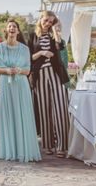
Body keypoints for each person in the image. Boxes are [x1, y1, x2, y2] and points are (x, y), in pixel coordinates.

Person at [0, 19, 41, 163]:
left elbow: (28, 70)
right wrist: (8, 70)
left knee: (23, 115)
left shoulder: (25, 49)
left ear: (18, 31)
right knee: (8, 116)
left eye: (15, 26)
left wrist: (19, 70)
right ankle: (10, 150)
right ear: (6, 30)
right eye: (10, 26)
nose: (12, 28)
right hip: (5, 85)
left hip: (21, 85)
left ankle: (24, 149)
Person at [28, 11, 70, 158]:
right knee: (44, 109)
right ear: (40, 19)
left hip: (56, 73)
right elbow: (29, 57)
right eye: (46, 21)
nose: (48, 24)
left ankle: (62, 146)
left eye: (51, 22)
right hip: (40, 74)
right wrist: (42, 52)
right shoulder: (32, 36)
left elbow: (60, 48)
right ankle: (48, 144)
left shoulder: (55, 36)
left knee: (60, 108)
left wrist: (56, 32)